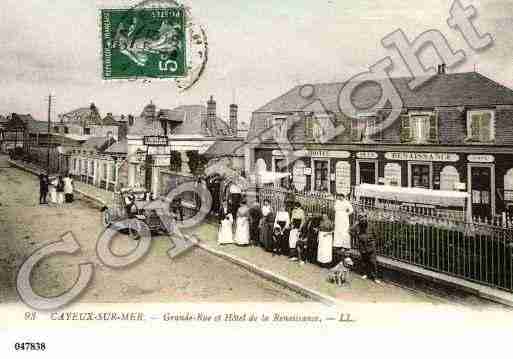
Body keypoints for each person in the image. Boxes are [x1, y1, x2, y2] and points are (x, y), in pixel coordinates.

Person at [355, 215, 380, 283]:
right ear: (359, 220)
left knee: (373, 262)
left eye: (364, 218)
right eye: (361, 218)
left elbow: (376, 235)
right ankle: (365, 273)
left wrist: (373, 243)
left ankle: (375, 277)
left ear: (366, 218)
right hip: (362, 246)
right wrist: (358, 238)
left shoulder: (371, 225)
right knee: (364, 261)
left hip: (371, 246)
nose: (363, 220)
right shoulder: (357, 226)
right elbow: (351, 231)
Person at [333, 194, 354, 260]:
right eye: (339, 196)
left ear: (344, 197)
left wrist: (346, 214)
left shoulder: (347, 202)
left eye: (341, 196)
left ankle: (344, 245)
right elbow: (335, 208)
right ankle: (338, 244)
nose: (340, 197)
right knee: (338, 230)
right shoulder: (337, 201)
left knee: (344, 231)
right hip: (338, 217)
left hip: (344, 218)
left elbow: (351, 210)